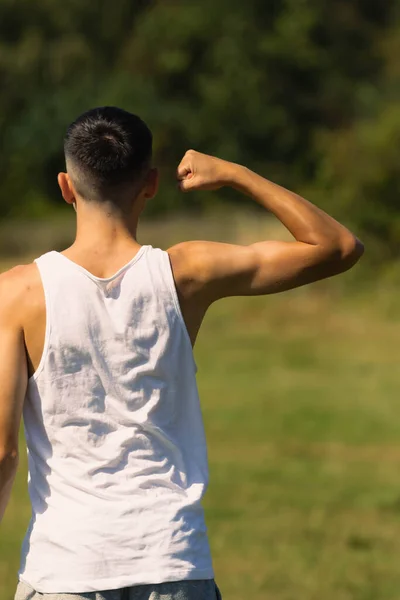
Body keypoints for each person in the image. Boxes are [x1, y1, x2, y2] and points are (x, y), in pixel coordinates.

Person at [0, 107, 363, 600]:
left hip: (65, 568)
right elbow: (337, 246)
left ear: (66, 186)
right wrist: (234, 173)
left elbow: (2, 451)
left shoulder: (18, 293)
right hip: (172, 561)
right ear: (150, 183)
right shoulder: (185, 273)